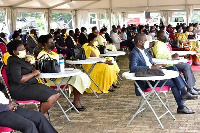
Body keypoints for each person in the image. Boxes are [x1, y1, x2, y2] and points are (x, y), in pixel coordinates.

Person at [129, 33, 196, 114]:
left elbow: (150, 62)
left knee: (173, 68)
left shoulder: (145, 51)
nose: (147, 42)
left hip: (153, 73)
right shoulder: (134, 53)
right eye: (145, 41)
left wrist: (159, 65)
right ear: (139, 42)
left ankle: (184, 92)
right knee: (173, 82)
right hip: (147, 79)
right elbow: (132, 68)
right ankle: (181, 106)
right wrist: (150, 68)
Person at [37, 35, 90, 110]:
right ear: (45, 44)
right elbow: (46, 69)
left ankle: (77, 101)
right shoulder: (42, 55)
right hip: (52, 79)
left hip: (60, 75)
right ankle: (76, 102)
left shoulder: (53, 53)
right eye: (51, 42)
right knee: (78, 78)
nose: (53, 43)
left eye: (53, 42)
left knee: (81, 75)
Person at [6, 40, 60, 114]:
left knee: (56, 94)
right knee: (52, 97)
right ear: (14, 52)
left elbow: (34, 70)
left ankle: (39, 118)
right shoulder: (14, 62)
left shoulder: (22, 59)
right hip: (20, 89)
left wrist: (30, 62)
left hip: (30, 85)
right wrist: (33, 74)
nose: (23, 51)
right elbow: (19, 79)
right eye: (20, 50)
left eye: (24, 49)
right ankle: (40, 117)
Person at [153, 30, 200, 95]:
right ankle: (190, 88)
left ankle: (191, 86)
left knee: (187, 65)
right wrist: (171, 56)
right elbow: (159, 56)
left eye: (165, 36)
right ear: (159, 37)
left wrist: (174, 55)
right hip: (167, 64)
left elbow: (167, 54)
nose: (166, 37)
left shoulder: (162, 43)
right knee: (186, 66)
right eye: (163, 36)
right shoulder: (158, 45)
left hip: (171, 61)